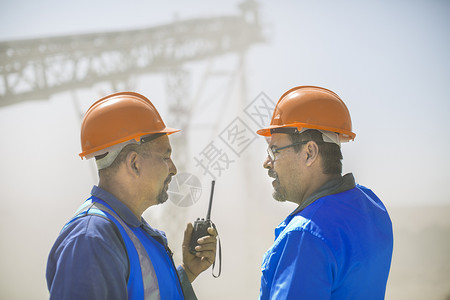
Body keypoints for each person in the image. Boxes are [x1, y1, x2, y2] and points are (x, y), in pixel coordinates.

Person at [46, 92, 217, 300]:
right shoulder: (90, 240)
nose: (173, 169)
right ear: (134, 163)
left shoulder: (129, 232)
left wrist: (187, 273)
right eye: (165, 157)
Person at [256, 86, 393, 299]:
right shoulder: (372, 206)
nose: (267, 163)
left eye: (274, 151)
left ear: (310, 152)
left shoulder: (305, 236)